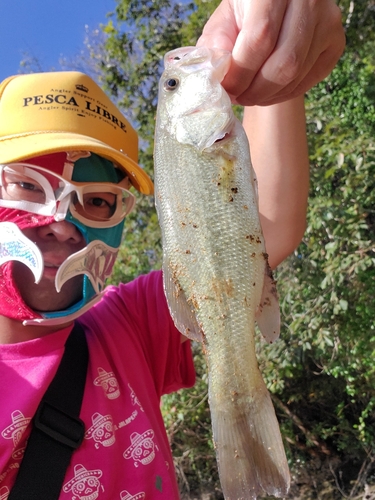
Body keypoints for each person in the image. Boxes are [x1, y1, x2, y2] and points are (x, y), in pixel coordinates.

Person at [0, 0, 345, 498]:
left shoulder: (126, 327)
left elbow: (265, 227)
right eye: (30, 185)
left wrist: (273, 62)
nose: (62, 223)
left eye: (98, 201)